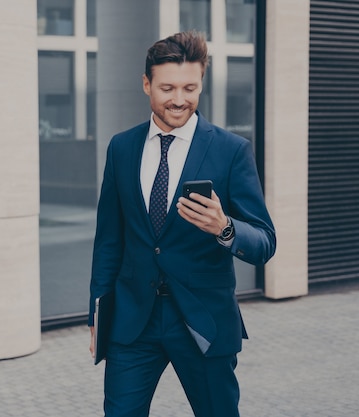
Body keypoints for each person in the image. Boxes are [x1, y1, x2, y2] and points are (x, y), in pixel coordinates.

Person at [88, 31, 276, 417]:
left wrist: (225, 227)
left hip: (202, 321)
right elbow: (109, 241)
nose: (179, 99)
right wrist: (98, 316)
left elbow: (264, 242)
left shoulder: (231, 151)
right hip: (132, 323)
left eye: (190, 87)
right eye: (167, 87)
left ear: (201, 83)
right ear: (147, 85)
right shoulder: (122, 148)